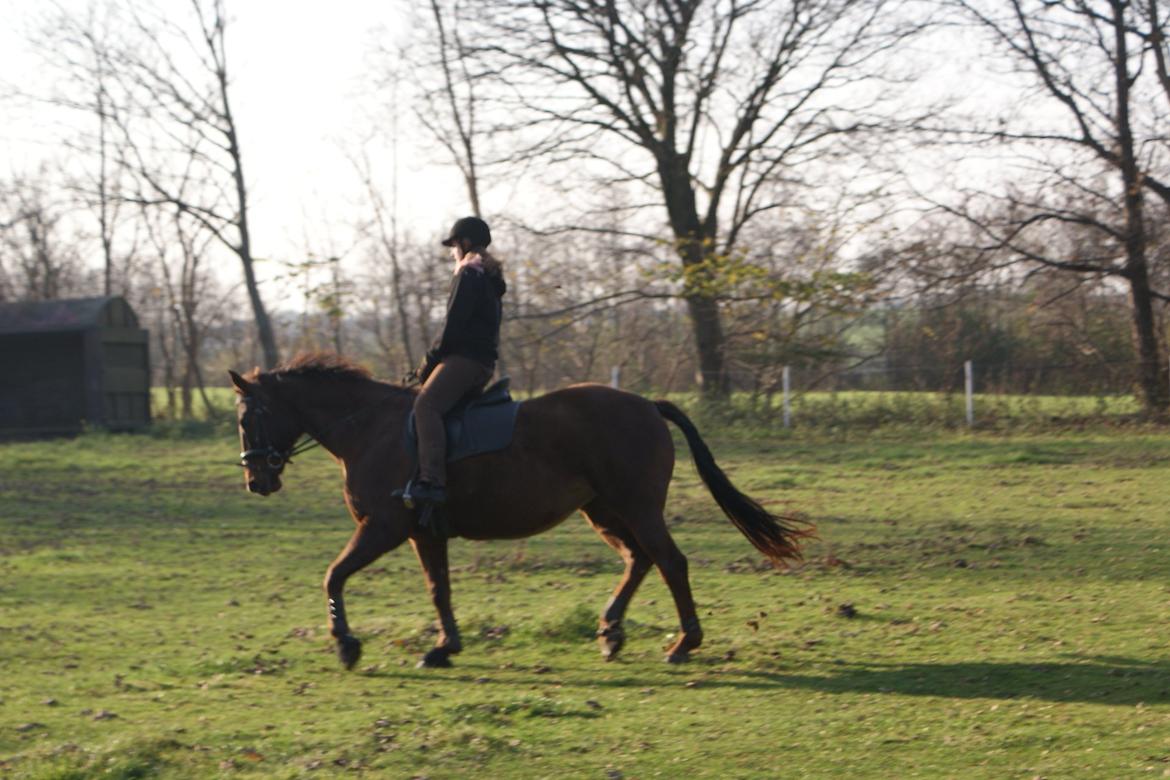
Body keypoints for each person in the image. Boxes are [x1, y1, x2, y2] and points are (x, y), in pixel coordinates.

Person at [408, 216, 506, 509]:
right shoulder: (488, 275)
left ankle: (432, 481)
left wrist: (428, 362)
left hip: (465, 360)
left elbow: (453, 327)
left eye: (453, 246)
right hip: (482, 362)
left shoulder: (469, 273)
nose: (452, 252)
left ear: (463, 244)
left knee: (425, 406)